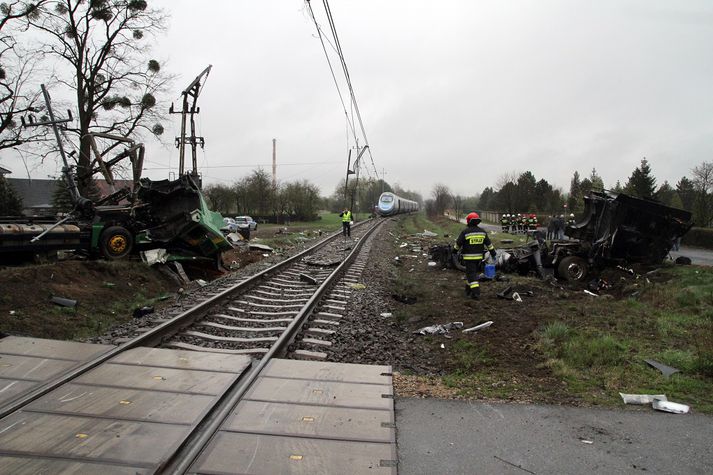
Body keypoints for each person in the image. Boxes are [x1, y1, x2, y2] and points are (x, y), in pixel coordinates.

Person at [454, 212, 497, 300]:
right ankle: (468, 290)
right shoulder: (482, 232)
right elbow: (489, 245)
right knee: (470, 274)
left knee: (471, 275)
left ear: (468, 221)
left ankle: (476, 292)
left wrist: (454, 251)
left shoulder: (465, 232)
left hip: (469, 258)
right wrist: (493, 254)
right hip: (479, 258)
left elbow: (458, 244)